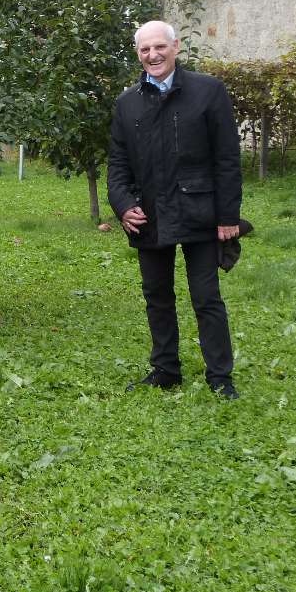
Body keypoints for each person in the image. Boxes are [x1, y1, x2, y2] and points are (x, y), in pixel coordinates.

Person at [107, 20, 243, 400]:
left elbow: (227, 159)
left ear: (176, 47)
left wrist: (228, 216)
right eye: (144, 50)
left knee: (206, 297)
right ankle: (166, 370)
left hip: (199, 212)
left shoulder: (208, 92)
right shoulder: (127, 103)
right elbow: (117, 165)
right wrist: (123, 206)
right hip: (149, 217)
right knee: (157, 296)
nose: (152, 55)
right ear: (138, 54)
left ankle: (220, 378)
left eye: (159, 48)